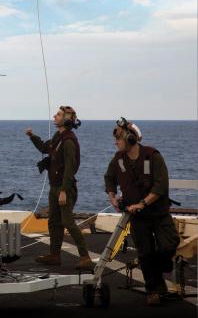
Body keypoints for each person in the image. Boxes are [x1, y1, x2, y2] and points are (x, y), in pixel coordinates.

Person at [104, 117, 180, 306]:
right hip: (137, 217)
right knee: (145, 253)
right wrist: (112, 197)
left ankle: (162, 267)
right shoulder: (118, 159)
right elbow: (109, 178)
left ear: (131, 139)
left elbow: (161, 185)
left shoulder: (152, 155)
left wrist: (143, 203)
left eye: (119, 139)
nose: (116, 142)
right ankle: (154, 291)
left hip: (158, 212)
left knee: (169, 244)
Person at [25, 106, 93, 269]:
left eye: (59, 114)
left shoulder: (69, 140)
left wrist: (63, 190)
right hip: (54, 187)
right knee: (54, 222)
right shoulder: (58, 136)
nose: (55, 116)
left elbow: (71, 167)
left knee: (68, 222)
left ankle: (85, 257)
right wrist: (32, 136)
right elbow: (45, 148)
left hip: (64, 189)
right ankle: (55, 255)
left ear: (67, 120)